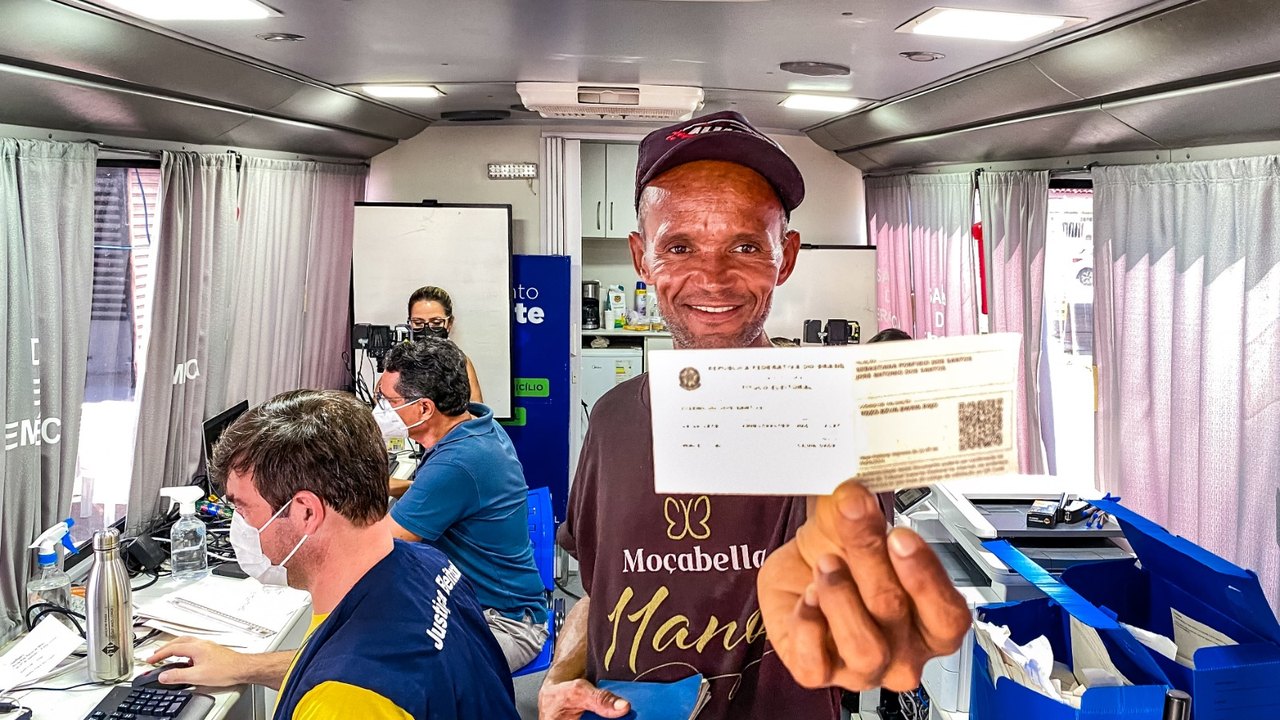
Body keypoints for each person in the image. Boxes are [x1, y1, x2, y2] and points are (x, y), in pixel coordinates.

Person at [538, 111, 969, 720]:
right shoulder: (612, 422)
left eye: (745, 246)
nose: (713, 278)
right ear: (642, 258)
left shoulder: (832, 421)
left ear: (785, 258)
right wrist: (561, 678)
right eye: (679, 247)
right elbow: (596, 592)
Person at [148, 390, 518, 720]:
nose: (240, 525)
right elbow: (360, 665)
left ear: (306, 512)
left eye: (243, 508)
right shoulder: (429, 565)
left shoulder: (345, 701)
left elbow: (353, 685)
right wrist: (245, 666)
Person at [377, 337, 549, 671]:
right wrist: (399, 487)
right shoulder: (479, 427)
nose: (383, 410)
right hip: (482, 604)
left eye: (389, 401)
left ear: (424, 408)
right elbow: (448, 495)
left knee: (382, 666)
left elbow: (381, 544)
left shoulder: (458, 462)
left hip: (505, 625)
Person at [408, 285, 483, 402]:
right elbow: (381, 405)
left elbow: (477, 407)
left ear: (449, 323)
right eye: (418, 323)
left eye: (436, 322)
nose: (427, 329)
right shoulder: (400, 362)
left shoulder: (460, 362)